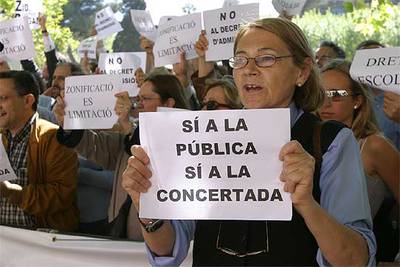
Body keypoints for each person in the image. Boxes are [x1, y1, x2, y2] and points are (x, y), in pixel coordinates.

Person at [122, 18, 375, 266]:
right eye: (240, 59)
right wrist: (146, 205)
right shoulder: (201, 138)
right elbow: (168, 249)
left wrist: (307, 204)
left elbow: (355, 259)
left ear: (302, 71)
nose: (249, 69)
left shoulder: (332, 142)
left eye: (266, 58)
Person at [54, 72, 191, 238]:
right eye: (138, 98)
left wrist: (127, 125)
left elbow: (152, 152)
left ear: (169, 103)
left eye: (146, 99)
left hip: (158, 239)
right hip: (122, 232)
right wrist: (68, 123)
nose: (138, 104)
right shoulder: (131, 134)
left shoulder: (186, 143)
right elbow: (96, 146)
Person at [318, 58, 399, 262]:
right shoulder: (307, 142)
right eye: (321, 94)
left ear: (357, 100)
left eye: (336, 95)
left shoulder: (375, 146)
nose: (326, 103)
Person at [0, 70, 78, 231]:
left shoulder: (55, 138)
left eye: (2, 98)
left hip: (38, 246)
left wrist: (12, 192)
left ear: (28, 100)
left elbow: (62, 196)